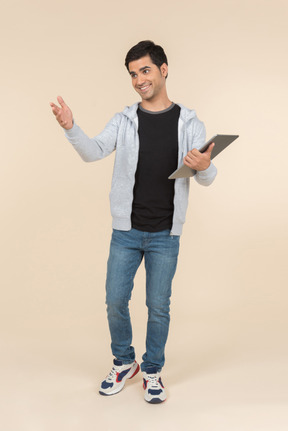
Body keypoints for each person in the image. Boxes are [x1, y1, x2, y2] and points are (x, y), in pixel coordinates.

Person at [50, 40, 217, 404]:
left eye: (145, 70)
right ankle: (124, 363)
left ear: (163, 69)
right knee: (114, 300)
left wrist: (206, 166)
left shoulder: (188, 121)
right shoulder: (125, 119)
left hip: (165, 235)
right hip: (126, 232)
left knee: (158, 306)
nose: (139, 79)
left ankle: (153, 370)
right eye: (132, 74)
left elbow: (205, 173)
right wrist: (71, 127)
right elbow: (93, 151)